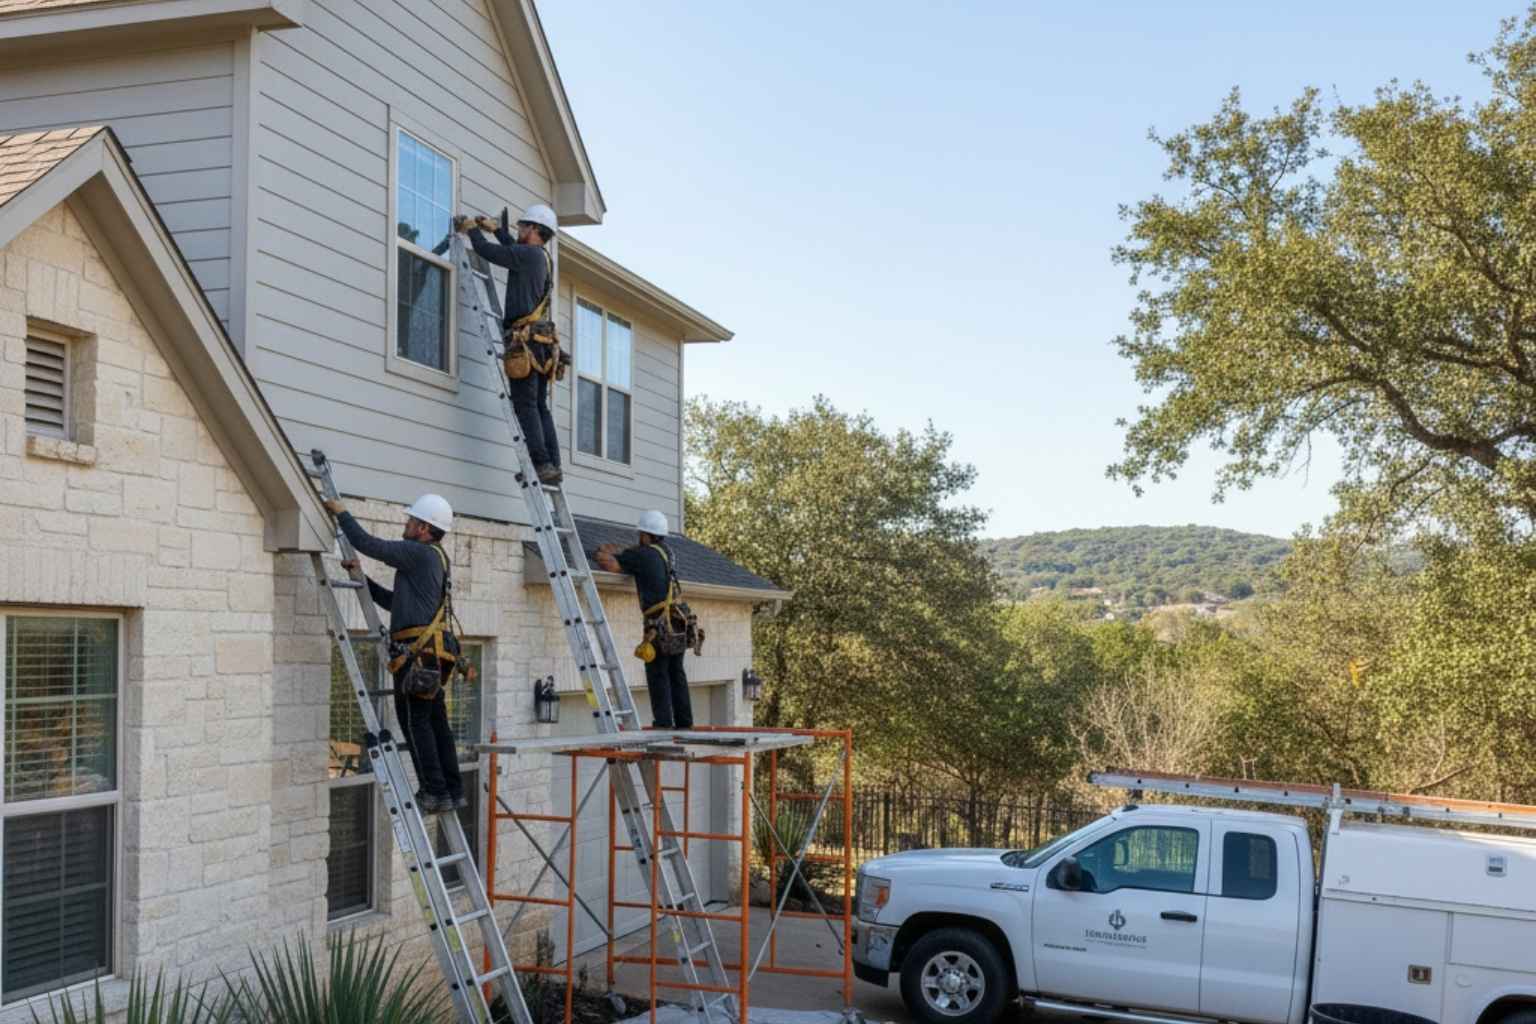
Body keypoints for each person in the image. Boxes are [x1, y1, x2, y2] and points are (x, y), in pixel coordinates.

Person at [322, 493, 464, 814]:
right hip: (431, 654)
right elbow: (393, 602)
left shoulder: (418, 553)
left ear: (425, 528)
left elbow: (369, 544)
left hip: (418, 657)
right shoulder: (435, 558)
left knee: (417, 725)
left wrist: (342, 514)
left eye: (411, 521)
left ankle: (434, 791)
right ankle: (452, 791)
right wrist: (362, 580)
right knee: (436, 724)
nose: (407, 524)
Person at [459, 203, 564, 486]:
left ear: (533, 229)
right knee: (539, 406)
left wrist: (472, 232)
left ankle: (541, 462)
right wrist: (497, 231)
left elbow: (491, 254)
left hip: (527, 341)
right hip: (541, 342)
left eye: (522, 227)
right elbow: (511, 250)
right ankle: (552, 466)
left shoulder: (528, 255)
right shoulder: (539, 256)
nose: (518, 230)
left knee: (526, 405)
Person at [594, 510, 694, 730]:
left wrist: (602, 551)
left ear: (646, 535)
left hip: (659, 623)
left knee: (657, 671)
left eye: (641, 533)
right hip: (677, 621)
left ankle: (664, 723)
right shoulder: (667, 551)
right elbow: (637, 558)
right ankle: (685, 723)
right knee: (676, 672)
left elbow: (609, 563)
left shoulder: (643, 555)